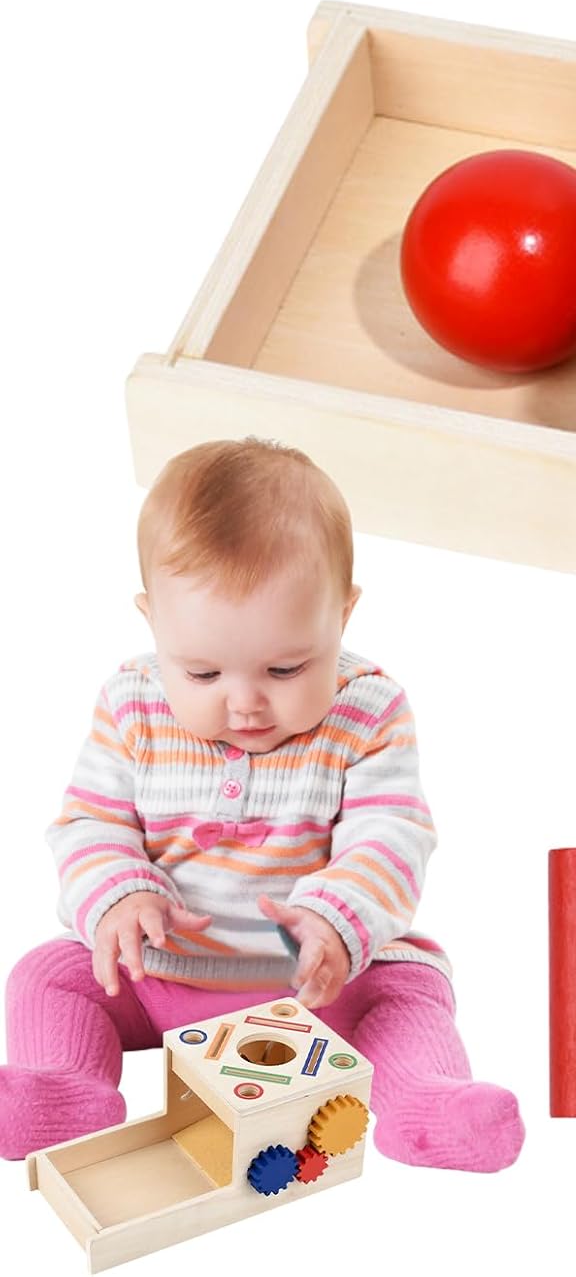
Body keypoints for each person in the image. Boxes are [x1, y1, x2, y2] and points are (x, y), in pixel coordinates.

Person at [0, 438, 524, 1171]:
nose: (244, 702)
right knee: (48, 975)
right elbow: (90, 822)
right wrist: (120, 896)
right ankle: (64, 1089)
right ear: (153, 623)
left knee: (407, 991)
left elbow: (391, 836)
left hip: (321, 985)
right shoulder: (131, 703)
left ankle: (429, 1104)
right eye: (202, 672)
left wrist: (336, 919)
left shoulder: (369, 711)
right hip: (164, 977)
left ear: (343, 614)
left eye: (285, 668)